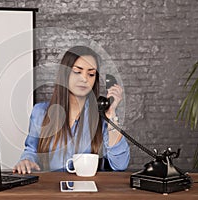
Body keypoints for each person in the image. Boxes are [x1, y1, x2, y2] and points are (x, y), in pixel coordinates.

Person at [13, 46, 130, 174]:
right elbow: (32, 151)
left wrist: (111, 114)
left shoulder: (101, 117)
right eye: (77, 71)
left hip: (88, 190)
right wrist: (27, 160)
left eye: (91, 74)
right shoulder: (40, 112)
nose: (84, 79)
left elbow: (120, 164)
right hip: (51, 189)